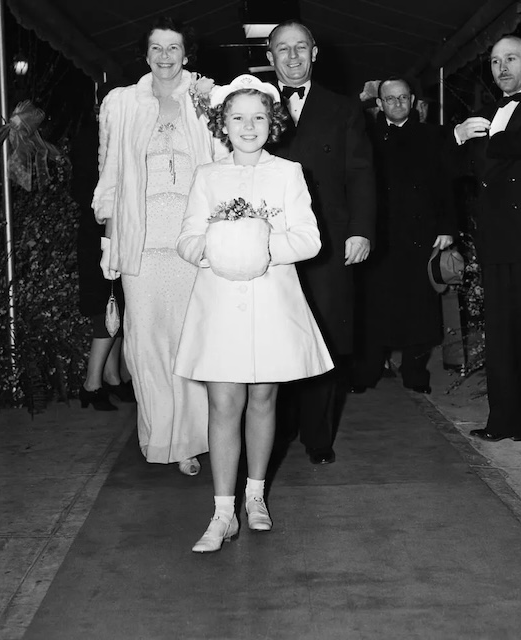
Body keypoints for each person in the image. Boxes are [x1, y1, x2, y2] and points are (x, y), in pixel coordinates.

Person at [174, 75, 334, 553]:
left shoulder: (287, 173)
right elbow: (186, 241)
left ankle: (255, 496)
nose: (249, 126)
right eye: (238, 118)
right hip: (220, 302)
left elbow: (309, 239)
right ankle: (222, 513)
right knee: (224, 404)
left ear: (273, 121)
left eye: (259, 117)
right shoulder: (208, 175)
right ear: (222, 123)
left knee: (263, 399)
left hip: (271, 298)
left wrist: (259, 245)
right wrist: (219, 247)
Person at [93, 16, 220, 475]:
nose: (166, 57)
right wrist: (110, 240)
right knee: (146, 344)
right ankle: (161, 436)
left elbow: (226, 163)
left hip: (191, 239)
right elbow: (108, 177)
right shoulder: (121, 104)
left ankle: (191, 439)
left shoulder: (207, 99)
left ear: (186, 54)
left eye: (174, 48)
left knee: (189, 340)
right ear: (146, 55)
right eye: (157, 49)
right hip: (140, 240)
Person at [265, 21, 376, 465]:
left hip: (327, 242)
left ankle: (318, 437)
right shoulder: (251, 105)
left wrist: (361, 229)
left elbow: (361, 173)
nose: (292, 57)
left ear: (315, 53)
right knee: (272, 336)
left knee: (325, 338)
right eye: (282, 49)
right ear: (270, 57)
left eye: (300, 48)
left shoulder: (342, 108)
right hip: (268, 243)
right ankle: (273, 432)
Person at [454, 35, 521, 455]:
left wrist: (487, 136)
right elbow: (462, 172)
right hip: (497, 240)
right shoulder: (486, 115)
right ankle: (505, 422)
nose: (503, 68)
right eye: (495, 62)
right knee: (502, 336)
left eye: (511, 58)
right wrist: (457, 138)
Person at [352, 77, 457, 394]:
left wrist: (447, 227)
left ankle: (415, 373)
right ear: (379, 103)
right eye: (390, 98)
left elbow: (446, 184)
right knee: (374, 305)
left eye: (403, 97)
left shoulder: (431, 136)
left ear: (412, 100)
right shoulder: (364, 138)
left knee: (419, 308)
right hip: (379, 236)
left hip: (420, 233)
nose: (397, 103)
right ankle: (368, 371)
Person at [71, 108, 133, 411]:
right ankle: (91, 383)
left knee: (119, 302)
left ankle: (111, 377)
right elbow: (85, 190)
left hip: (119, 230)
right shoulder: (90, 138)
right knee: (107, 305)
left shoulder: (125, 131)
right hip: (99, 232)